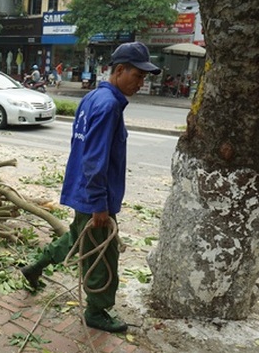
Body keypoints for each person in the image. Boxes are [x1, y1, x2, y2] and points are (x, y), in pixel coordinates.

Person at [20, 41, 160, 333]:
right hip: (94, 195)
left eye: (145, 77)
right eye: (138, 75)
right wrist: (99, 204)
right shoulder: (108, 106)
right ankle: (97, 311)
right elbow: (95, 159)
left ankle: (36, 267)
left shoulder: (93, 98)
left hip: (82, 189)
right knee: (102, 256)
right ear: (120, 70)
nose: (141, 82)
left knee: (76, 237)